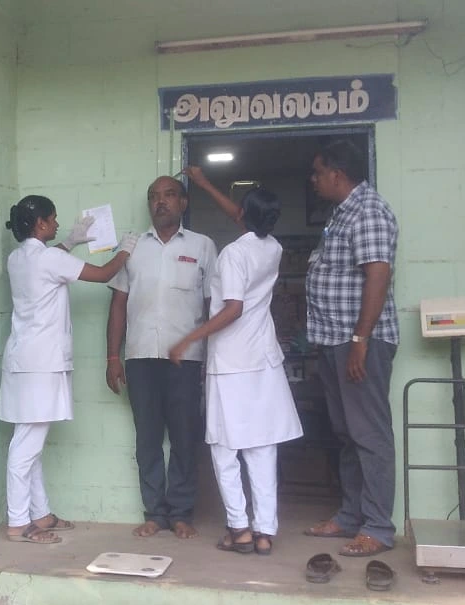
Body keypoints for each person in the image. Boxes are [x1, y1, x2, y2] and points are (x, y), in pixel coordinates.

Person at [169, 177, 303, 556]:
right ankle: (264, 531)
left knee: (225, 449)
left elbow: (233, 308)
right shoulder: (272, 248)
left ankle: (239, 528)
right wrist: (206, 184)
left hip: (231, 363)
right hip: (262, 362)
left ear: (243, 214)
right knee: (261, 449)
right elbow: (247, 218)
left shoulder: (232, 255)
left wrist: (190, 338)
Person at [0, 195, 138, 545]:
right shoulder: (49, 258)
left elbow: (49, 260)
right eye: (54, 220)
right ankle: (18, 523)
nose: (59, 225)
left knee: (31, 441)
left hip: (24, 361)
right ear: (41, 224)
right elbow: (105, 273)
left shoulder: (19, 258)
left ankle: (40, 514)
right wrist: (125, 250)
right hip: (40, 365)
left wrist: (72, 241)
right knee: (26, 446)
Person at [298, 140, 400, 558]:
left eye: (318, 172)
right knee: (346, 434)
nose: (314, 179)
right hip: (335, 342)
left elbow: (377, 276)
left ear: (337, 174)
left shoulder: (368, 211)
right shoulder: (341, 215)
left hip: (359, 343)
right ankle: (350, 516)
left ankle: (377, 527)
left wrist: (360, 340)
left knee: (369, 435)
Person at [106, 175, 218, 539]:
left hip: (185, 360)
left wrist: (212, 357)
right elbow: (118, 303)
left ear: (183, 203)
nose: (161, 202)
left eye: (169, 195)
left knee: (186, 437)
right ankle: (155, 512)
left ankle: (182, 512)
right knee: (148, 439)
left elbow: (212, 304)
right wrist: (112, 356)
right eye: (154, 196)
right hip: (140, 357)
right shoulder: (133, 247)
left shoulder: (203, 246)